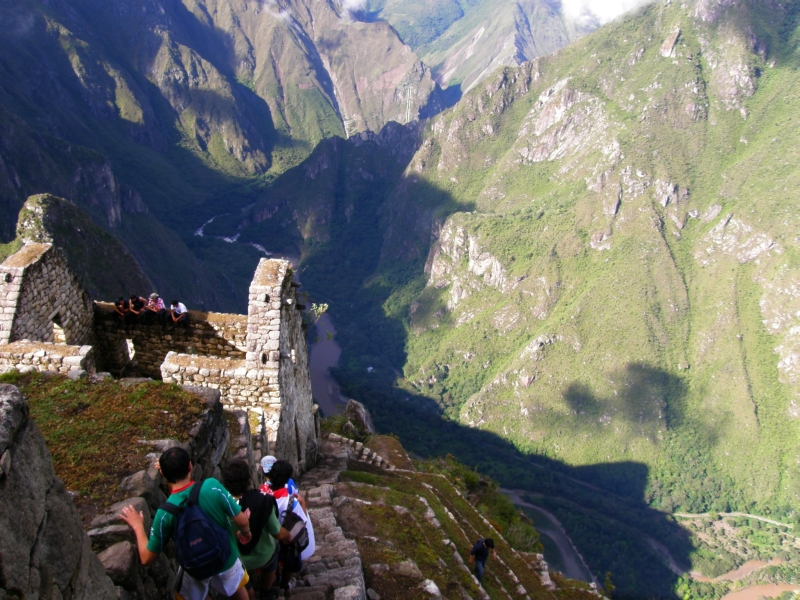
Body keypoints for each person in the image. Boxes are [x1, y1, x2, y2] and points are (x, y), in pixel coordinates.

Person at [120, 447, 253, 600]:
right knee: (237, 586)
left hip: (194, 566)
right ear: (190, 466)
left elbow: (147, 558)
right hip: (225, 556)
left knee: (187, 595)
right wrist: (246, 533)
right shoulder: (211, 486)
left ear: (163, 473)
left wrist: (137, 526)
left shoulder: (164, 514)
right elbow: (242, 520)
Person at [222, 460, 291, 600]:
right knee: (274, 551)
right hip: (262, 556)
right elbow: (277, 532)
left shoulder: (219, 504)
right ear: (248, 479)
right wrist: (288, 536)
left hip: (234, 560)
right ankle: (267, 591)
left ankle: (247, 588)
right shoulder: (262, 501)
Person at [267, 460, 315, 590]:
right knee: (291, 563)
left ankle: (276, 577)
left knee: (274, 558)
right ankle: (284, 585)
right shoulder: (291, 502)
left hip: (269, 538)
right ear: (287, 479)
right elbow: (302, 522)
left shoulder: (263, 495)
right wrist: (303, 503)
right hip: (287, 540)